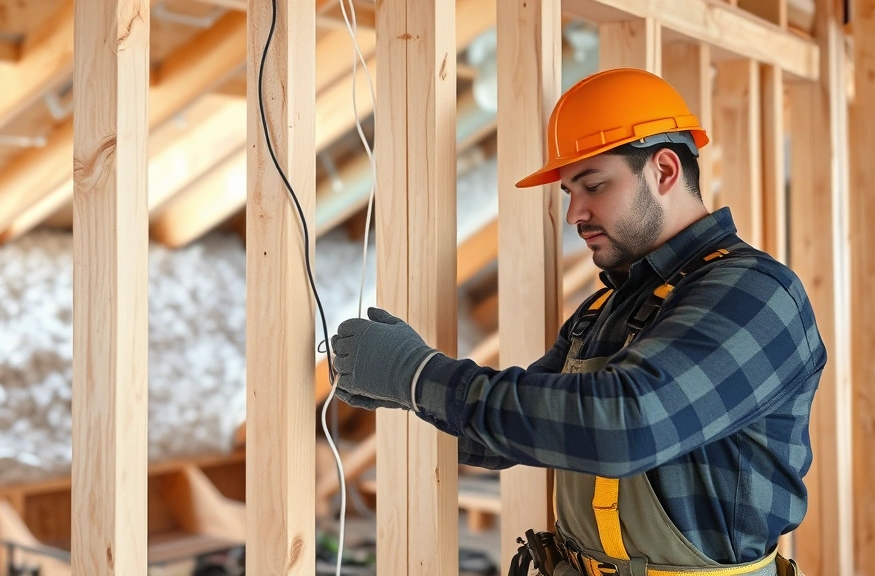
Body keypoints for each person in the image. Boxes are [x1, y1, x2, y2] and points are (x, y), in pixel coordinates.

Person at [329, 68, 824, 576]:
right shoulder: (604, 311)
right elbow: (518, 433)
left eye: (593, 185)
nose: (574, 213)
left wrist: (419, 375)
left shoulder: (755, 294)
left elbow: (625, 426)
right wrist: (405, 390)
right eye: (569, 191)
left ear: (665, 171)